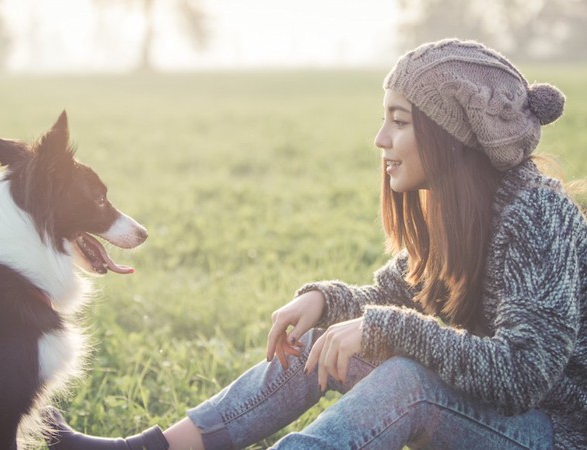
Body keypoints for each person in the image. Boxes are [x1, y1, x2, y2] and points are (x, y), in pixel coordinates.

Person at [43, 39, 586, 450]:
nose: (380, 139)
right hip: (500, 410)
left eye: (399, 122)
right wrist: (327, 301)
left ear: (451, 138)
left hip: (555, 430)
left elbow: (522, 376)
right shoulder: (453, 207)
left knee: (407, 380)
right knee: (319, 337)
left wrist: (384, 328)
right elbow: (395, 295)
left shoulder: (537, 215)